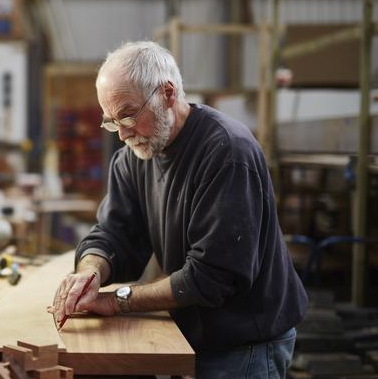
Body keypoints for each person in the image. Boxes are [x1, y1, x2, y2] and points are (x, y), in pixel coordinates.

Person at [48, 41, 308, 379]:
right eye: (111, 122)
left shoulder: (227, 153)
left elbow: (212, 277)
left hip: (245, 343)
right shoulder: (134, 156)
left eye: (127, 114)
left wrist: (116, 301)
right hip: (192, 333)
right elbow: (115, 235)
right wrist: (91, 273)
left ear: (167, 93)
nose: (123, 134)